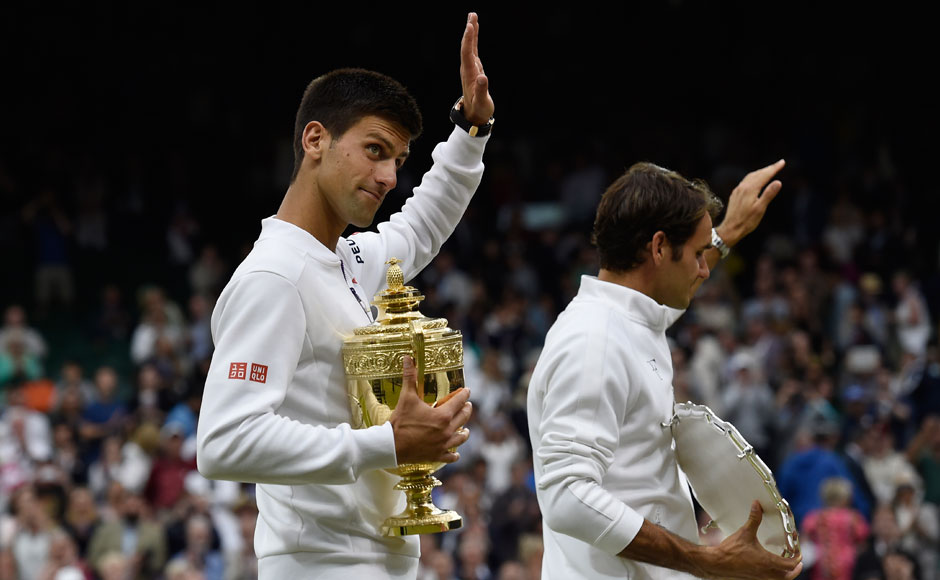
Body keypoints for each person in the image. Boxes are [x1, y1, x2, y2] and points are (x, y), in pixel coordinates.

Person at [196, 13, 493, 580]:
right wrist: (387, 442)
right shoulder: (275, 277)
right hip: (322, 564)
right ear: (315, 140)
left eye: (398, 162)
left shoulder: (346, 260)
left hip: (374, 557)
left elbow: (421, 225)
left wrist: (470, 130)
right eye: (375, 150)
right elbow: (224, 442)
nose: (388, 177)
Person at [527, 160, 804, 579]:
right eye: (697, 253)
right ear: (658, 248)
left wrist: (727, 232)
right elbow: (566, 496)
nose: (705, 268)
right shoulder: (593, 342)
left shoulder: (627, 321)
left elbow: (662, 312)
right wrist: (708, 560)